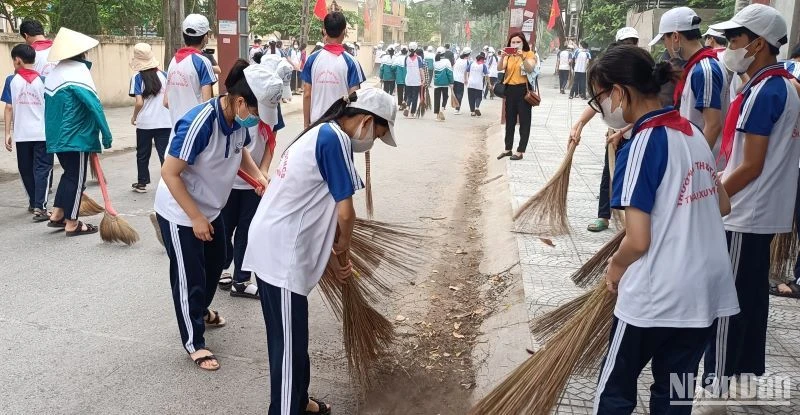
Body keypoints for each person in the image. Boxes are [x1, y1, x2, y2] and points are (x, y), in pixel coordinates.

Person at [588, 44, 739, 415]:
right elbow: (723, 204)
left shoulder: (642, 144)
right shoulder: (691, 131)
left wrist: (616, 267)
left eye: (599, 98)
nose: (600, 107)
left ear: (619, 92)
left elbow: (638, 241)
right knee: (674, 394)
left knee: (615, 389)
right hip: (704, 293)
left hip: (657, 294)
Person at [242, 87, 397, 415]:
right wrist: (345, 246)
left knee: (294, 339)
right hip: (280, 254)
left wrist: (333, 253)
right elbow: (345, 212)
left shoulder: (321, 133)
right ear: (367, 121)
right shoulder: (335, 140)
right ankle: (287, 407)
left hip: (281, 246)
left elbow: (315, 206)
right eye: (377, 134)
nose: (372, 142)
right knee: (287, 347)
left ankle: (299, 401)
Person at [697, 5, 800, 406]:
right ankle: (744, 376)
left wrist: (714, 198)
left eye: (734, 40)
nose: (728, 47)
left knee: (726, 300)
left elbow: (752, 164)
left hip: (744, 212)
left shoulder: (765, 92)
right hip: (759, 212)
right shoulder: (780, 86)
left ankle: (716, 384)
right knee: (752, 297)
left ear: (757, 44)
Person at [154, 60, 274, 371]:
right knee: (189, 276)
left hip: (210, 207)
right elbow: (169, 172)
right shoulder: (200, 123)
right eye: (258, 111)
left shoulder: (237, 122)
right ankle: (194, 340)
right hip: (181, 212)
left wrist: (260, 178)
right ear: (240, 101)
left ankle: (201, 309)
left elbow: (241, 152)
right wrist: (194, 217)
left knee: (218, 260)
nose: (259, 120)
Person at [44, 28, 113, 236]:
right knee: (77, 178)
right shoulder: (78, 72)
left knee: (69, 174)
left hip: (57, 135)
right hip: (77, 136)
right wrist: (106, 134)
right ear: (81, 53)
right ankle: (72, 223)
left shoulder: (55, 73)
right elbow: (94, 105)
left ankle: (57, 214)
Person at [649, 7, 727, 152]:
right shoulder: (694, 67)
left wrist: (695, 163)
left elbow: (713, 125)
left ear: (675, 37)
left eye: (664, 40)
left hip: (704, 163)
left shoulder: (704, 70)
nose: (666, 46)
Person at [3, 44, 51, 221]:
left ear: (17, 60)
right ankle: (40, 206)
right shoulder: (45, 81)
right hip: (42, 133)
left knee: (25, 169)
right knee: (42, 169)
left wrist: (7, 132)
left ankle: (33, 202)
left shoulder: (11, 80)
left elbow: (8, 107)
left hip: (22, 134)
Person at [301, 12, 366, 128]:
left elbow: (307, 94)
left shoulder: (312, 59)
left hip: (316, 125)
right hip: (341, 127)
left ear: (324, 31)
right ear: (344, 31)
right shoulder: (352, 62)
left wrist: (306, 125)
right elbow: (354, 99)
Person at [128, 43, 171, 194]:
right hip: (165, 121)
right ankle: (169, 183)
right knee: (164, 154)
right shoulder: (165, 75)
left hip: (145, 123)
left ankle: (142, 183)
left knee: (142, 153)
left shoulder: (137, 78)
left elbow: (139, 102)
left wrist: (134, 116)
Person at [165, 14, 217, 130]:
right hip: (196, 130)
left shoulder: (173, 61)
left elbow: (166, 102)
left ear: (184, 36)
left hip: (176, 129)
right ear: (205, 37)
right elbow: (207, 103)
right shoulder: (203, 62)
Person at [497, 33, 537, 161]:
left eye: (517, 42)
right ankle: (507, 149)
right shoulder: (508, 56)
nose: (515, 44)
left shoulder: (529, 54)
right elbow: (499, 68)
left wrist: (522, 57)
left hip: (523, 90)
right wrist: (502, 57)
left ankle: (520, 151)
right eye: (513, 42)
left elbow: (530, 69)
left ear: (523, 42)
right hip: (510, 90)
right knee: (510, 120)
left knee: (524, 121)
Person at [402, 42, 425, 117]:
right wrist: (423, 79)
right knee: (415, 96)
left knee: (409, 96)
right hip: (416, 80)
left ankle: (408, 107)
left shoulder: (406, 58)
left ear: (409, 48)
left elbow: (405, 68)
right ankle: (412, 113)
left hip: (408, 80)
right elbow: (421, 69)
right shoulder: (419, 58)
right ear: (416, 49)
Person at [433, 47, 453, 122]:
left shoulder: (435, 61)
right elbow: (449, 73)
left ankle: (437, 116)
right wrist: (451, 82)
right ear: (444, 53)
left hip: (437, 83)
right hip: (445, 83)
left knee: (437, 98)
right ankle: (442, 109)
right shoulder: (447, 61)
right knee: (445, 97)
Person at [465, 52, 489, 117]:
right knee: (478, 97)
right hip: (479, 84)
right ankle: (477, 107)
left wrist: (466, 79)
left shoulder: (471, 63)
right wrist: (488, 83)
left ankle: (472, 112)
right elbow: (486, 75)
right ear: (481, 60)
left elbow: (466, 71)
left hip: (471, 84)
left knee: (471, 98)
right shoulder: (483, 65)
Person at [452, 48, 470, 115]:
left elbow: (453, 67)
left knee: (455, 93)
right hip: (460, 80)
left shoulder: (458, 59)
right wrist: (466, 79)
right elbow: (466, 71)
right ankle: (457, 109)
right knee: (459, 94)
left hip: (454, 79)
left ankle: (456, 107)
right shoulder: (467, 61)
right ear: (468, 54)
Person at [393, 45, 408, 110]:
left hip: (399, 78)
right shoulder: (408, 58)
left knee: (400, 92)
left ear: (401, 51)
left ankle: (400, 105)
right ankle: (405, 102)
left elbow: (393, 67)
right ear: (407, 51)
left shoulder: (397, 58)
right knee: (407, 91)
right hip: (407, 78)